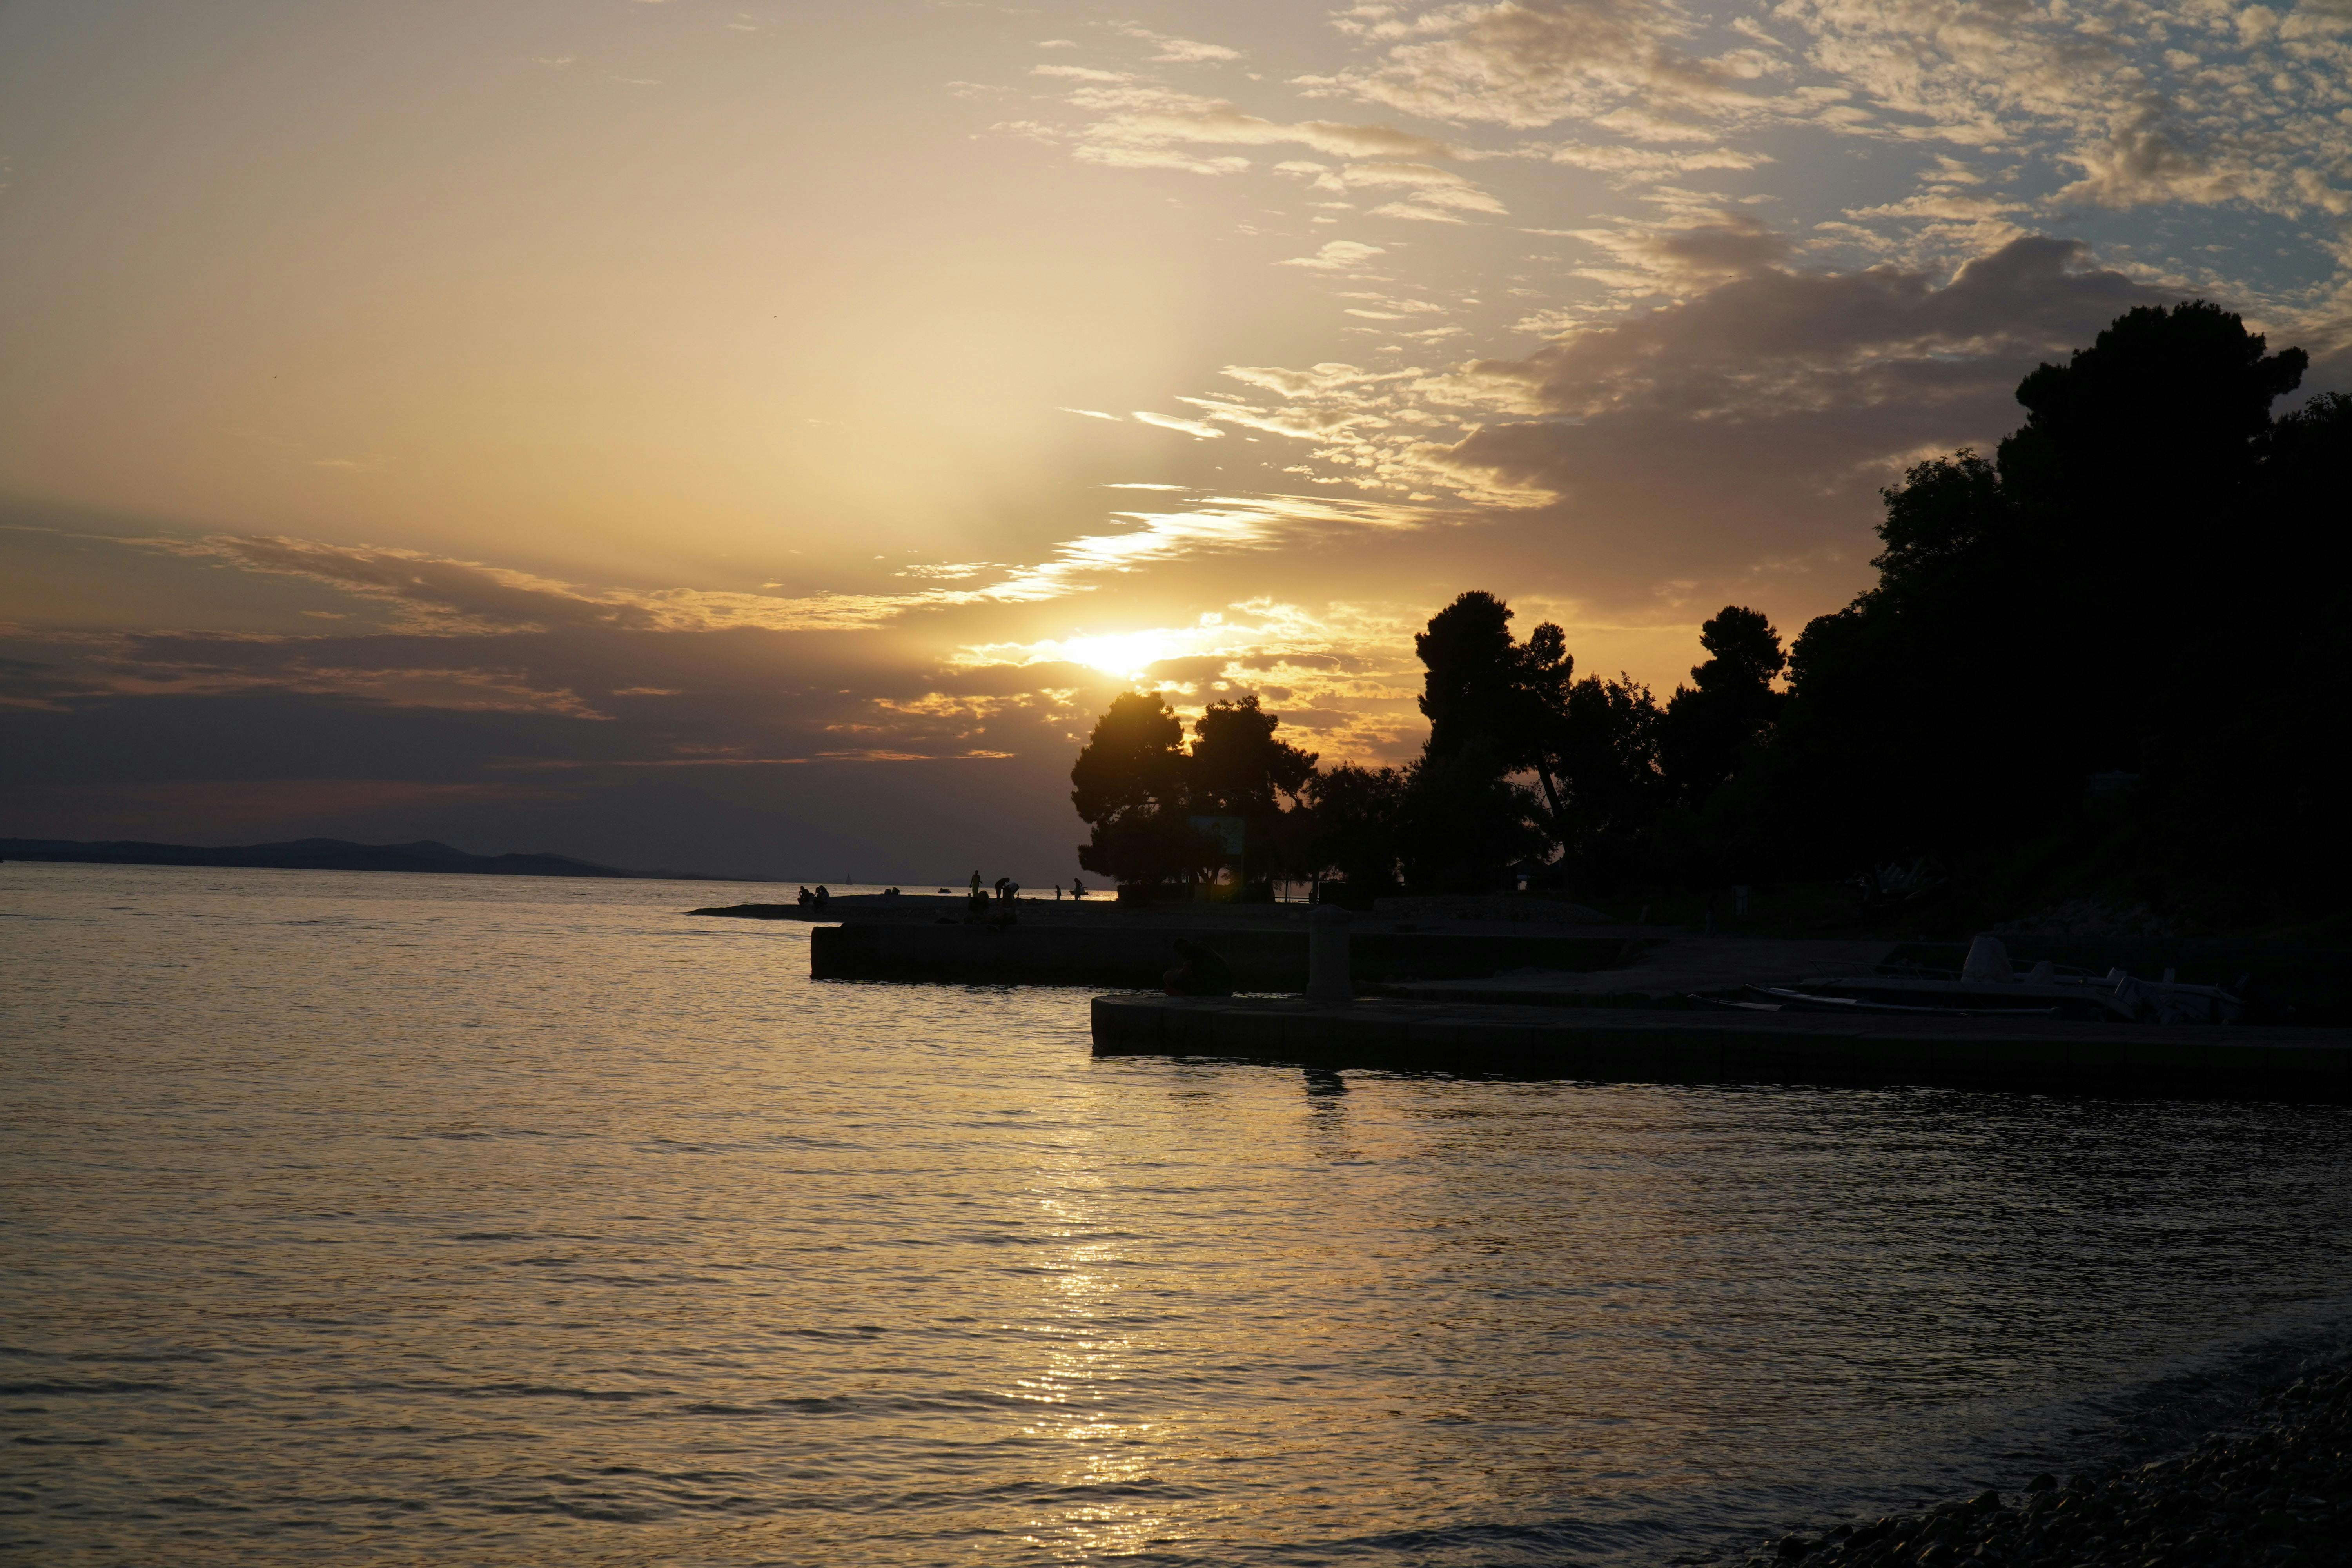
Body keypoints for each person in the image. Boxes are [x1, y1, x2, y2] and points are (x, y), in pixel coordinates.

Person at [1161, 938, 1234, 997]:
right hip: (1227, 990)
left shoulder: (1188, 949)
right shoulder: (1204, 949)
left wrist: (1178, 972)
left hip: (1214, 991)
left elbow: (1186, 972)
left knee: (1168, 975)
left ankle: (1182, 994)